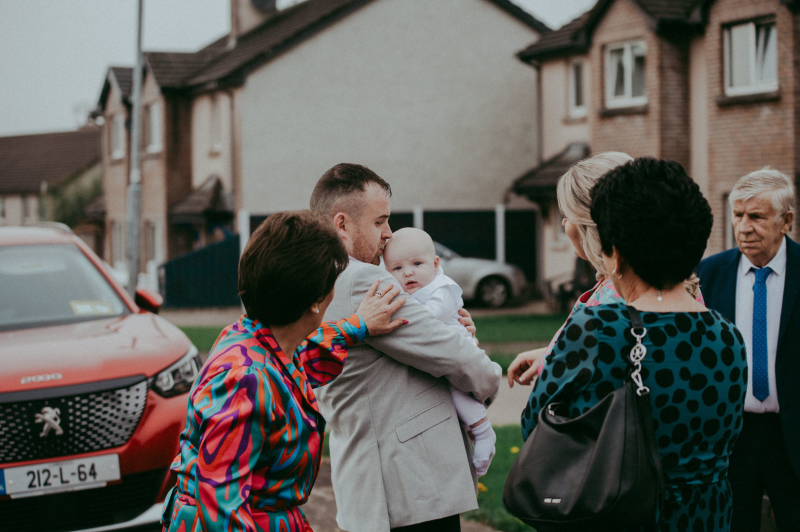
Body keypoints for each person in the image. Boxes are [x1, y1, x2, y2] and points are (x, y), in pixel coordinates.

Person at [522, 158, 748, 530]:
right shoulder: (728, 335)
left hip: (627, 517)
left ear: (612, 251)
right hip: (707, 516)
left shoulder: (598, 328)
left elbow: (540, 427)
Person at [161, 210, 407, 532]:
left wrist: (358, 325)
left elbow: (297, 360)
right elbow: (220, 511)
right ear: (317, 301)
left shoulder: (254, 339)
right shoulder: (245, 380)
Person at [309, 163, 502, 532]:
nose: (388, 233)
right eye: (379, 221)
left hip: (374, 482)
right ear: (342, 224)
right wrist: (488, 377)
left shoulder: (316, 276)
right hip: (408, 485)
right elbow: (450, 354)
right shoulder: (361, 279)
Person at [508, 152, 703, 387]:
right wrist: (549, 354)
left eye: (567, 215)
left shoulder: (617, 296)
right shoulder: (662, 281)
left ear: (591, 224)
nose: (563, 224)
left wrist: (553, 362)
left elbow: (598, 378)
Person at [696, 168, 800, 531]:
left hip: (792, 434)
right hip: (731, 435)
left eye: (756, 216)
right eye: (737, 215)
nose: (743, 227)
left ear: (786, 221)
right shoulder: (707, 275)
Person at [383, 227, 496, 477]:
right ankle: (473, 430)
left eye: (416, 263)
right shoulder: (409, 291)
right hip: (438, 353)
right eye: (397, 269)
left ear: (435, 264)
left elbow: (430, 320)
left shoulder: (442, 288)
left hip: (457, 349)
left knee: (457, 394)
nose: (408, 272)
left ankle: (483, 431)